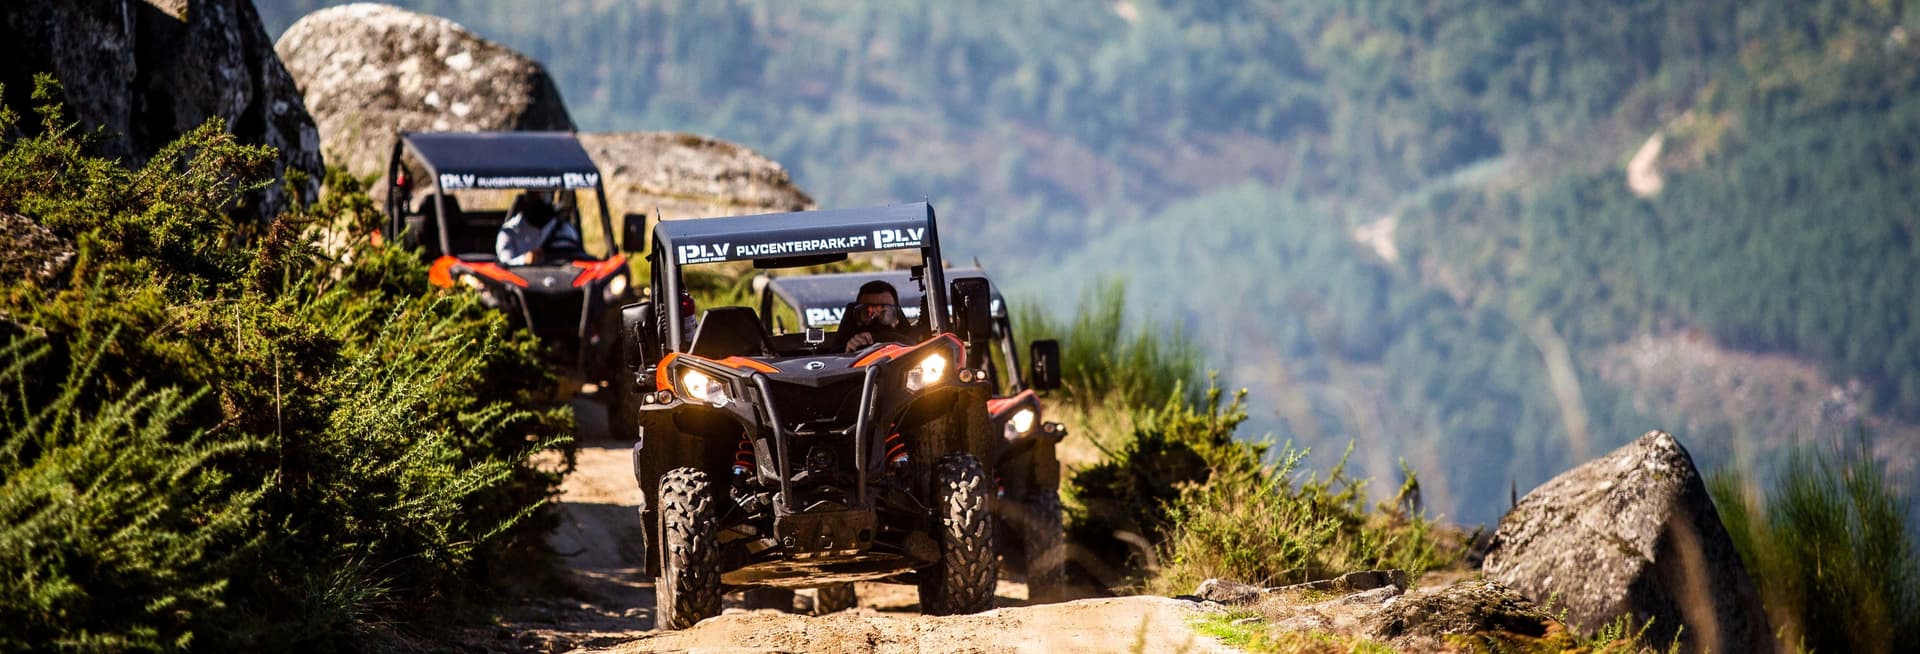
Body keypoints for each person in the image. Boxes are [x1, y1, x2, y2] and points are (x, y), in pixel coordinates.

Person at [494, 191, 582, 265]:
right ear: (528, 198)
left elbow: (579, 259)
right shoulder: (509, 232)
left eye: (545, 197)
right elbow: (504, 266)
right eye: (536, 196)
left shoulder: (564, 228)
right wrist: (525, 259)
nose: (540, 201)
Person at [838, 280, 907, 352]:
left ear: (896, 317)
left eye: (884, 312)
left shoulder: (912, 351)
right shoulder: (845, 349)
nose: (876, 319)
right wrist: (848, 353)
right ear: (858, 316)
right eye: (868, 312)